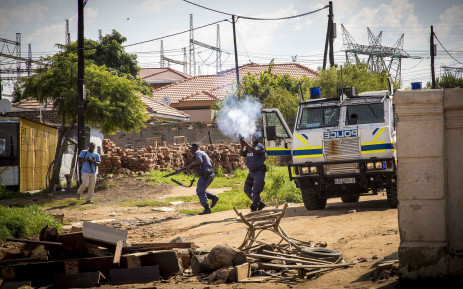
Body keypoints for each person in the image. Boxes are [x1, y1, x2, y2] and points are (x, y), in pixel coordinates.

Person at [185, 142, 219, 215]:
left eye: (191, 148)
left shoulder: (197, 153)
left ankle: (207, 209)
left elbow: (199, 161)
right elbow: (210, 162)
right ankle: (213, 197)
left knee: (200, 191)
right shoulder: (203, 153)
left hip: (206, 174)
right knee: (201, 190)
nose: (190, 150)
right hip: (210, 174)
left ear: (195, 148)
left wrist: (190, 166)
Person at [241, 132, 267, 212]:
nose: (253, 139)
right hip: (251, 172)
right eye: (252, 137)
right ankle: (259, 203)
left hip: (259, 172)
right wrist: (242, 146)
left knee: (256, 191)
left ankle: (254, 207)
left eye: (255, 137)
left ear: (258, 138)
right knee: (246, 189)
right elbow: (242, 154)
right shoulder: (249, 147)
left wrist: (246, 144)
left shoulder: (260, 146)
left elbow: (255, 151)